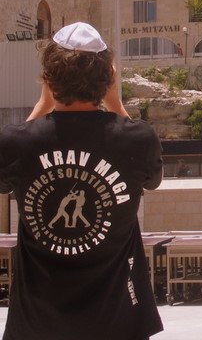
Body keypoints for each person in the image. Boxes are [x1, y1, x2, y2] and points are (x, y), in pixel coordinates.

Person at [0, 22, 163, 340]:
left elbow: (7, 166)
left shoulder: (16, 142)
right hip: (118, 323)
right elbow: (152, 179)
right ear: (109, 79)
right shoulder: (138, 139)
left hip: (38, 326)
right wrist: (115, 103)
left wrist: (42, 106)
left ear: (48, 80)